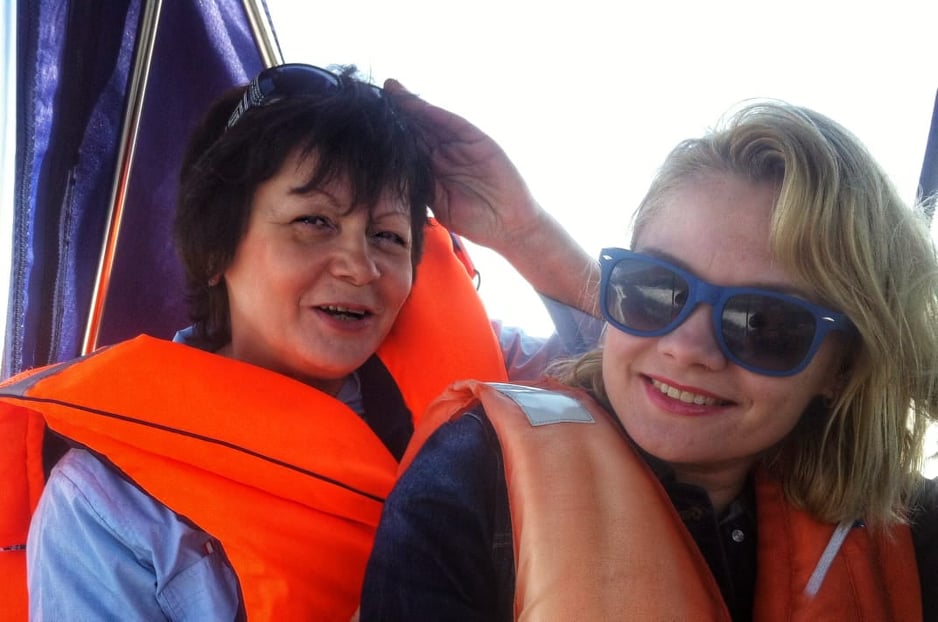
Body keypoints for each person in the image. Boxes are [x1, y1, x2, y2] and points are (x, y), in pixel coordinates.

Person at [0, 64, 601, 620]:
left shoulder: (485, 367)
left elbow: (652, 372)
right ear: (215, 251)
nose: (360, 267)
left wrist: (523, 228)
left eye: (389, 236)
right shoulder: (106, 505)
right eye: (314, 222)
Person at [360, 101, 938, 621]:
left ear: (841, 368)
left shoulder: (907, 525)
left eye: (763, 325)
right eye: (655, 289)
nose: (686, 348)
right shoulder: (474, 475)